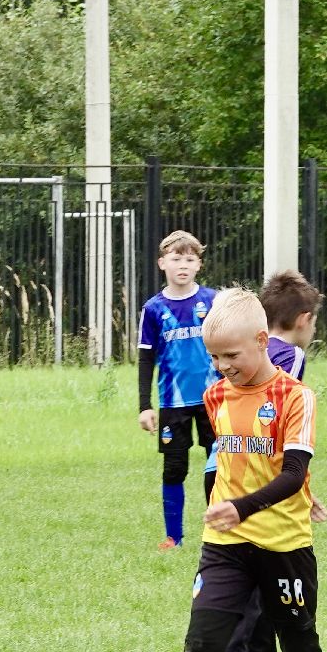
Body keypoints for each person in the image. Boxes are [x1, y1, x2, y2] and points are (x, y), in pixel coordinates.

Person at [125, 287, 327, 652]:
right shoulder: (215, 396)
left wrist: (266, 501)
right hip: (225, 545)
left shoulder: (295, 396)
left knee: (300, 647)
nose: (221, 367)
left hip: (283, 545)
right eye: (214, 357)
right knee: (202, 643)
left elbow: (291, 468)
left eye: (231, 356)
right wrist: (225, 506)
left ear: (262, 340)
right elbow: (235, 461)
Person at [216, 270, 327, 652]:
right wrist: (295, 485)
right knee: (258, 576)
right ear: (304, 319)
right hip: (250, 474)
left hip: (232, 465)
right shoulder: (290, 359)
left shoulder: (248, 352)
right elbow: (278, 432)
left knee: (261, 578)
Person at [137, 231, 221, 550]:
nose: (182, 265)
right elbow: (146, 358)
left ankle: (219, 532)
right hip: (173, 403)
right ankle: (174, 537)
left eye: (189, 259)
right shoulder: (154, 309)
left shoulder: (213, 301)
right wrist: (145, 406)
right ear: (162, 263)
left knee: (219, 464)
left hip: (214, 400)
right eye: (176, 259)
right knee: (174, 468)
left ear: (198, 264)